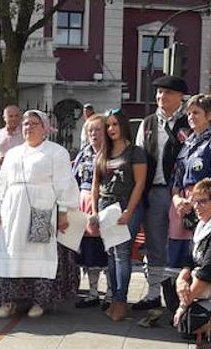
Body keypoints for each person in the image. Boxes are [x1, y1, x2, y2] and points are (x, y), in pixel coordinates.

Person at [0, 110, 80, 319]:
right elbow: (1, 183)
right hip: (13, 212)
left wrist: (63, 211)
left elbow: (64, 183)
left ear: (45, 128)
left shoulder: (56, 152)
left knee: (38, 254)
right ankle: (8, 301)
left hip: (41, 209)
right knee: (12, 254)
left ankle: (39, 301)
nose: (28, 127)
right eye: (25, 124)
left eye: (34, 124)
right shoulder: (13, 153)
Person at [134, 75, 190, 310]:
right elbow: (137, 157)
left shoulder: (189, 122)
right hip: (154, 192)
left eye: (167, 93)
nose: (161, 97)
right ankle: (154, 294)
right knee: (155, 244)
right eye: (158, 93)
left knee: (180, 244)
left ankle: (180, 296)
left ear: (180, 97)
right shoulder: (147, 123)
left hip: (181, 192)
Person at [92, 109, 147, 321]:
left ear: (123, 126)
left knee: (122, 254)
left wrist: (128, 212)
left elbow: (140, 183)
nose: (111, 129)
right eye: (108, 125)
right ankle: (115, 297)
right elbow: (96, 187)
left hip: (126, 206)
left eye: (115, 124)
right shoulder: (102, 153)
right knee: (111, 254)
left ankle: (121, 300)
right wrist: (95, 212)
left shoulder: (135, 152)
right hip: (106, 206)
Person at [167, 179, 211, 347]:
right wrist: (183, 278)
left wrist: (183, 305)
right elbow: (190, 259)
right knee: (170, 285)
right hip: (204, 288)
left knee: (186, 321)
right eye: (195, 201)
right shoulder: (202, 225)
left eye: (203, 201)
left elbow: (207, 274)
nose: (196, 206)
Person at [170, 95, 211, 269]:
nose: (190, 117)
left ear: (210, 114)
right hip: (182, 206)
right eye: (189, 113)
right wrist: (177, 199)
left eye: (196, 113)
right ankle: (173, 295)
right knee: (175, 258)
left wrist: (196, 200)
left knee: (199, 256)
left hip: (205, 206)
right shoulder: (188, 143)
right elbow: (176, 178)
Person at [72, 114, 111, 309]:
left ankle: (111, 293)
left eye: (98, 129)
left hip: (105, 203)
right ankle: (93, 292)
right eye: (90, 130)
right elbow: (73, 180)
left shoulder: (112, 153)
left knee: (106, 249)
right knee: (88, 249)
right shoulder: (83, 153)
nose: (94, 134)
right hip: (83, 205)